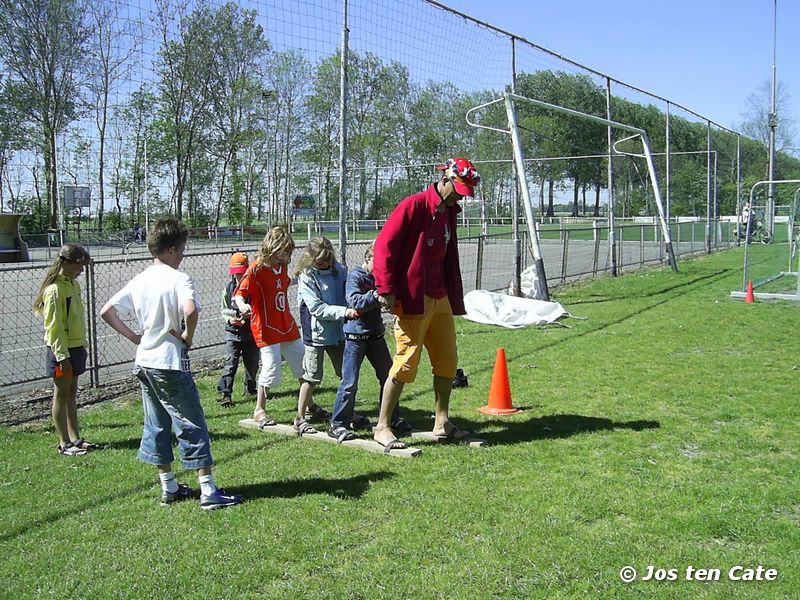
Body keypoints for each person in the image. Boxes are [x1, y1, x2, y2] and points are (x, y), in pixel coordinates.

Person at [100, 218, 243, 510]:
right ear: (171, 249)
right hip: (170, 362)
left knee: (156, 423)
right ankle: (208, 492)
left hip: (145, 364)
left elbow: (107, 311)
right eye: (182, 249)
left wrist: (136, 338)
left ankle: (170, 487)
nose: (183, 255)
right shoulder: (179, 278)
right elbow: (190, 310)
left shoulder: (139, 279)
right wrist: (188, 337)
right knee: (192, 422)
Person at [371, 157, 480, 449]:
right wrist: (386, 288)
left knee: (447, 360)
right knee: (406, 362)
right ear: (444, 179)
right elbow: (384, 247)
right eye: (458, 189)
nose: (460, 197)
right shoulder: (413, 206)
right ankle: (383, 425)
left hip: (440, 296)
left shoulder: (449, 211)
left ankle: (441, 421)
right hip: (413, 299)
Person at [329, 242, 408, 443]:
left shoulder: (380, 277)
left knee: (390, 378)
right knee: (349, 383)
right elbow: (354, 301)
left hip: (376, 337)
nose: (383, 270)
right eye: (379, 264)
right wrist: (375, 295)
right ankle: (338, 424)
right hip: (355, 338)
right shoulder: (355, 276)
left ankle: (391, 419)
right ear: (368, 259)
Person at [232, 227, 305, 431]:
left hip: (286, 324)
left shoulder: (281, 267)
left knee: (303, 361)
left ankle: (308, 403)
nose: (286, 256)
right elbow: (239, 293)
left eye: (288, 252)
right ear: (272, 247)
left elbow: (283, 284)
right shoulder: (256, 268)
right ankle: (259, 410)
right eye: (283, 251)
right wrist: (242, 304)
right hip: (266, 327)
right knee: (271, 368)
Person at [33, 244, 101, 456]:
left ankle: (76, 438)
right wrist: (62, 357)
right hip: (62, 352)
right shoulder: (54, 290)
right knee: (61, 395)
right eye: (80, 266)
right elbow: (54, 328)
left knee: (72, 393)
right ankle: (64, 443)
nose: (82, 271)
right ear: (67, 263)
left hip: (77, 347)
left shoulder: (73, 285)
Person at [295, 237, 360, 435]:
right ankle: (300, 418)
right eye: (320, 261)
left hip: (338, 332)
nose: (324, 264)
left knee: (346, 375)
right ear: (311, 258)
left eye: (327, 260)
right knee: (312, 377)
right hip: (316, 334)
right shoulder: (307, 276)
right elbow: (316, 308)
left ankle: (348, 413)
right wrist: (344, 312)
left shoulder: (338, 270)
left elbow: (348, 291)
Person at [216, 252, 259, 407]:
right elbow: (223, 309)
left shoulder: (254, 288)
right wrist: (231, 318)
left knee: (252, 362)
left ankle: (251, 388)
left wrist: (250, 315)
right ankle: (225, 393)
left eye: (242, 273)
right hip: (232, 332)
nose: (239, 277)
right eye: (236, 274)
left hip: (251, 332)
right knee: (230, 363)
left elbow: (259, 308)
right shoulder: (228, 289)